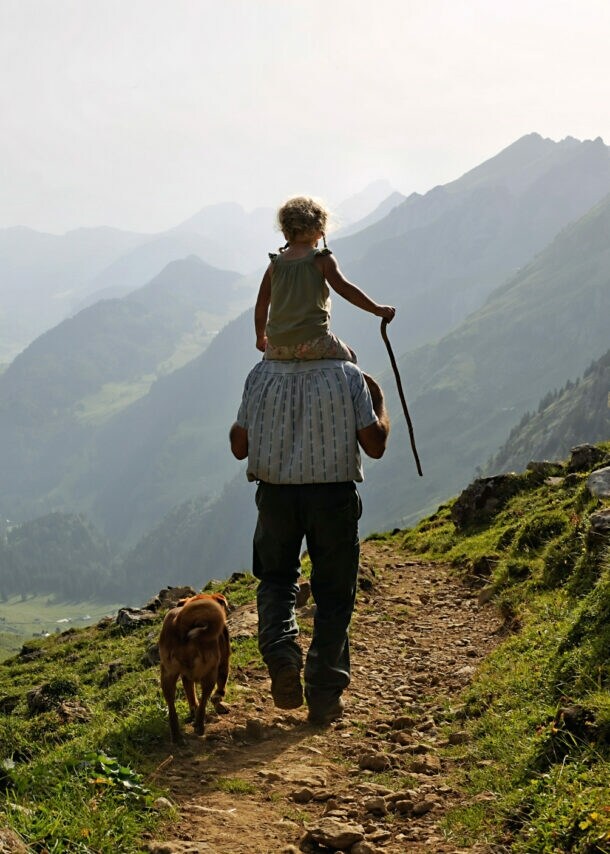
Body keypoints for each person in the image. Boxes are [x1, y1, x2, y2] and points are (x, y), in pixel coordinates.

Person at [229, 357, 390, 724]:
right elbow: (375, 445)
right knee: (334, 594)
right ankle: (323, 694)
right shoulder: (348, 375)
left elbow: (239, 446)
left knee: (276, 579)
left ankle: (282, 653)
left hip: (275, 496)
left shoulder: (260, 374)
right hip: (333, 496)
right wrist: (377, 398)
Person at [254, 196, 395, 361]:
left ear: (285, 233)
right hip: (314, 340)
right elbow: (345, 289)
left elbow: (262, 304)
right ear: (320, 231)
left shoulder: (274, 265)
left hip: (277, 346)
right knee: (350, 360)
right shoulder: (321, 259)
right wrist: (376, 309)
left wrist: (260, 337)